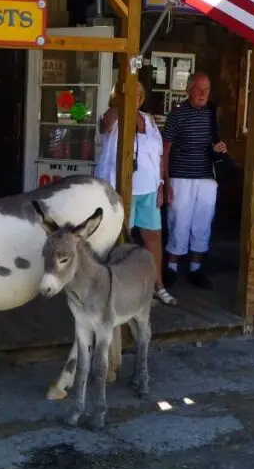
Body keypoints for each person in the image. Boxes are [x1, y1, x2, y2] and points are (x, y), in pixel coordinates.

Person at [93, 80, 177, 306]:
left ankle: (157, 286)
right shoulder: (112, 116)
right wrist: (122, 102)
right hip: (120, 189)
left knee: (153, 237)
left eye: (138, 92)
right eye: (130, 93)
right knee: (120, 239)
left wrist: (160, 184)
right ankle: (118, 288)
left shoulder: (148, 120)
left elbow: (158, 155)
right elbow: (105, 126)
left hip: (148, 189)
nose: (135, 96)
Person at [161, 71, 227, 290]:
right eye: (198, 89)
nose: (202, 93)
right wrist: (165, 182)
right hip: (180, 177)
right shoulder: (177, 114)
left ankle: (195, 269)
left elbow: (218, 143)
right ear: (188, 90)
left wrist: (221, 148)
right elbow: (165, 150)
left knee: (203, 223)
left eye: (206, 89)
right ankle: (171, 268)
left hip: (207, 177)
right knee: (178, 221)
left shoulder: (212, 114)